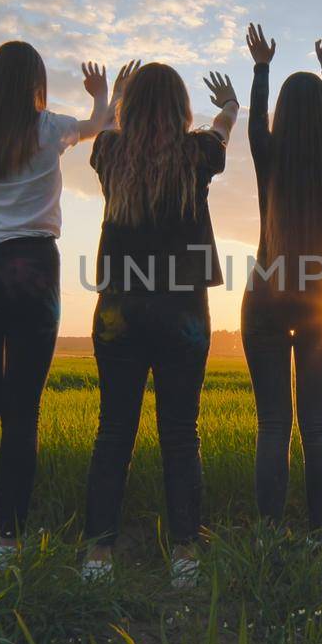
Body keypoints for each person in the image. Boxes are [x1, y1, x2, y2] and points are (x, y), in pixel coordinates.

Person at [0, 44, 125, 568]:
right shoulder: (51, 128)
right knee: (23, 410)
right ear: (37, 83)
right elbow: (101, 125)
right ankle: (10, 537)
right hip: (32, 270)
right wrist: (103, 95)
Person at [82, 63, 239, 586]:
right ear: (179, 107)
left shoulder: (110, 153)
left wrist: (116, 93)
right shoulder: (198, 154)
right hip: (182, 313)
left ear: (131, 108)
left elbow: (105, 127)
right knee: (179, 433)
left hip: (119, 310)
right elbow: (222, 129)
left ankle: (99, 555)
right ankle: (185, 555)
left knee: (113, 431)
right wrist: (232, 104)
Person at [241, 23, 322, 532]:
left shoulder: (269, 156)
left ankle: (267, 535)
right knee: (317, 427)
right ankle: (320, 537)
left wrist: (262, 66)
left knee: (272, 425)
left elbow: (255, 125)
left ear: (284, 115)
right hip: (321, 300)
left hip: (266, 291)